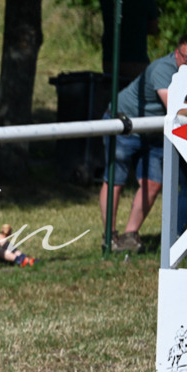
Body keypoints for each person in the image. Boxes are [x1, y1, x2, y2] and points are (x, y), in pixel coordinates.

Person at [100, 35, 187, 254]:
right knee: (115, 180)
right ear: (177, 53)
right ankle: (109, 236)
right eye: (186, 59)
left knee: (154, 182)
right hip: (122, 121)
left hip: (153, 130)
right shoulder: (162, 70)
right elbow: (175, 108)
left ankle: (130, 235)